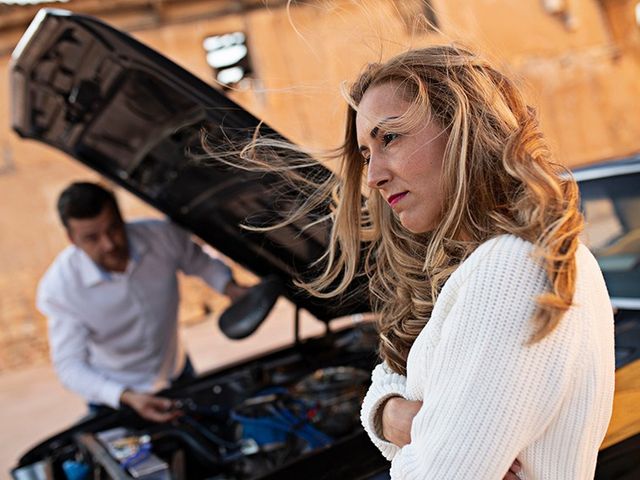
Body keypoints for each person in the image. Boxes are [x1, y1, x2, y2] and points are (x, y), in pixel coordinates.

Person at [234, 45, 614, 478]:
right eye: (365, 153)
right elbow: (386, 378)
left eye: (390, 138)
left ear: (462, 130)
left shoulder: (511, 267)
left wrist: (410, 428)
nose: (373, 176)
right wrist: (391, 414)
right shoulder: (488, 263)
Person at [37, 182, 248, 422]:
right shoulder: (61, 288)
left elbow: (200, 262)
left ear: (121, 216)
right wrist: (125, 396)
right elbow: (70, 366)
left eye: (113, 228)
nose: (108, 244)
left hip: (178, 373)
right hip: (117, 396)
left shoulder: (161, 236)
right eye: (91, 238)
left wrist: (229, 287)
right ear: (71, 239)